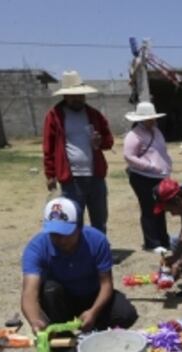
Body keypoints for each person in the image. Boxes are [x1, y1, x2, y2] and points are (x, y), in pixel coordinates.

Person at [20, 198, 138, 352]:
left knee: (126, 314)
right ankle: (64, 349)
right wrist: (34, 321)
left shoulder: (97, 240)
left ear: (79, 227)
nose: (59, 239)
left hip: (92, 295)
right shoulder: (37, 247)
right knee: (49, 290)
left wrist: (94, 312)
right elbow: (29, 294)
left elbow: (106, 284)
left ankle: (92, 334)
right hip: (61, 301)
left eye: (65, 233)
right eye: (54, 233)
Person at [42, 70, 115, 233]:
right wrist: (50, 174)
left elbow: (109, 141)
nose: (78, 99)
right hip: (71, 178)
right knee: (74, 219)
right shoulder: (55, 116)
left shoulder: (94, 115)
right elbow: (48, 147)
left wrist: (100, 141)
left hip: (95, 175)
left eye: (81, 95)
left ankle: (99, 250)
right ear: (65, 96)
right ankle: (79, 254)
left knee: (100, 218)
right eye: (74, 96)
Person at [123, 101, 172, 251]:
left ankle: (164, 239)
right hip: (142, 177)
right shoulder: (134, 135)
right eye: (150, 118)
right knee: (149, 208)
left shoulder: (156, 131)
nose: (153, 120)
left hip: (159, 176)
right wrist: (149, 166)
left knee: (160, 207)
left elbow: (161, 150)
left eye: (153, 118)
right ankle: (152, 242)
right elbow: (129, 156)